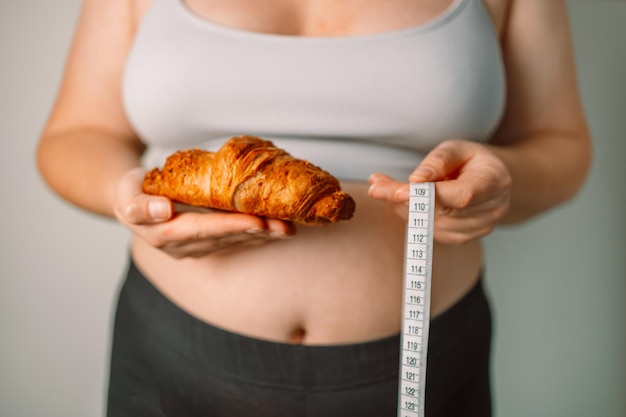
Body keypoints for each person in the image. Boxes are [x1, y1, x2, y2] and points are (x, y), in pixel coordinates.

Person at [36, 0, 591, 415]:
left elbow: (561, 142)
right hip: (172, 353)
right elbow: (76, 134)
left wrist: (505, 182)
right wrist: (123, 194)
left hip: (424, 363)